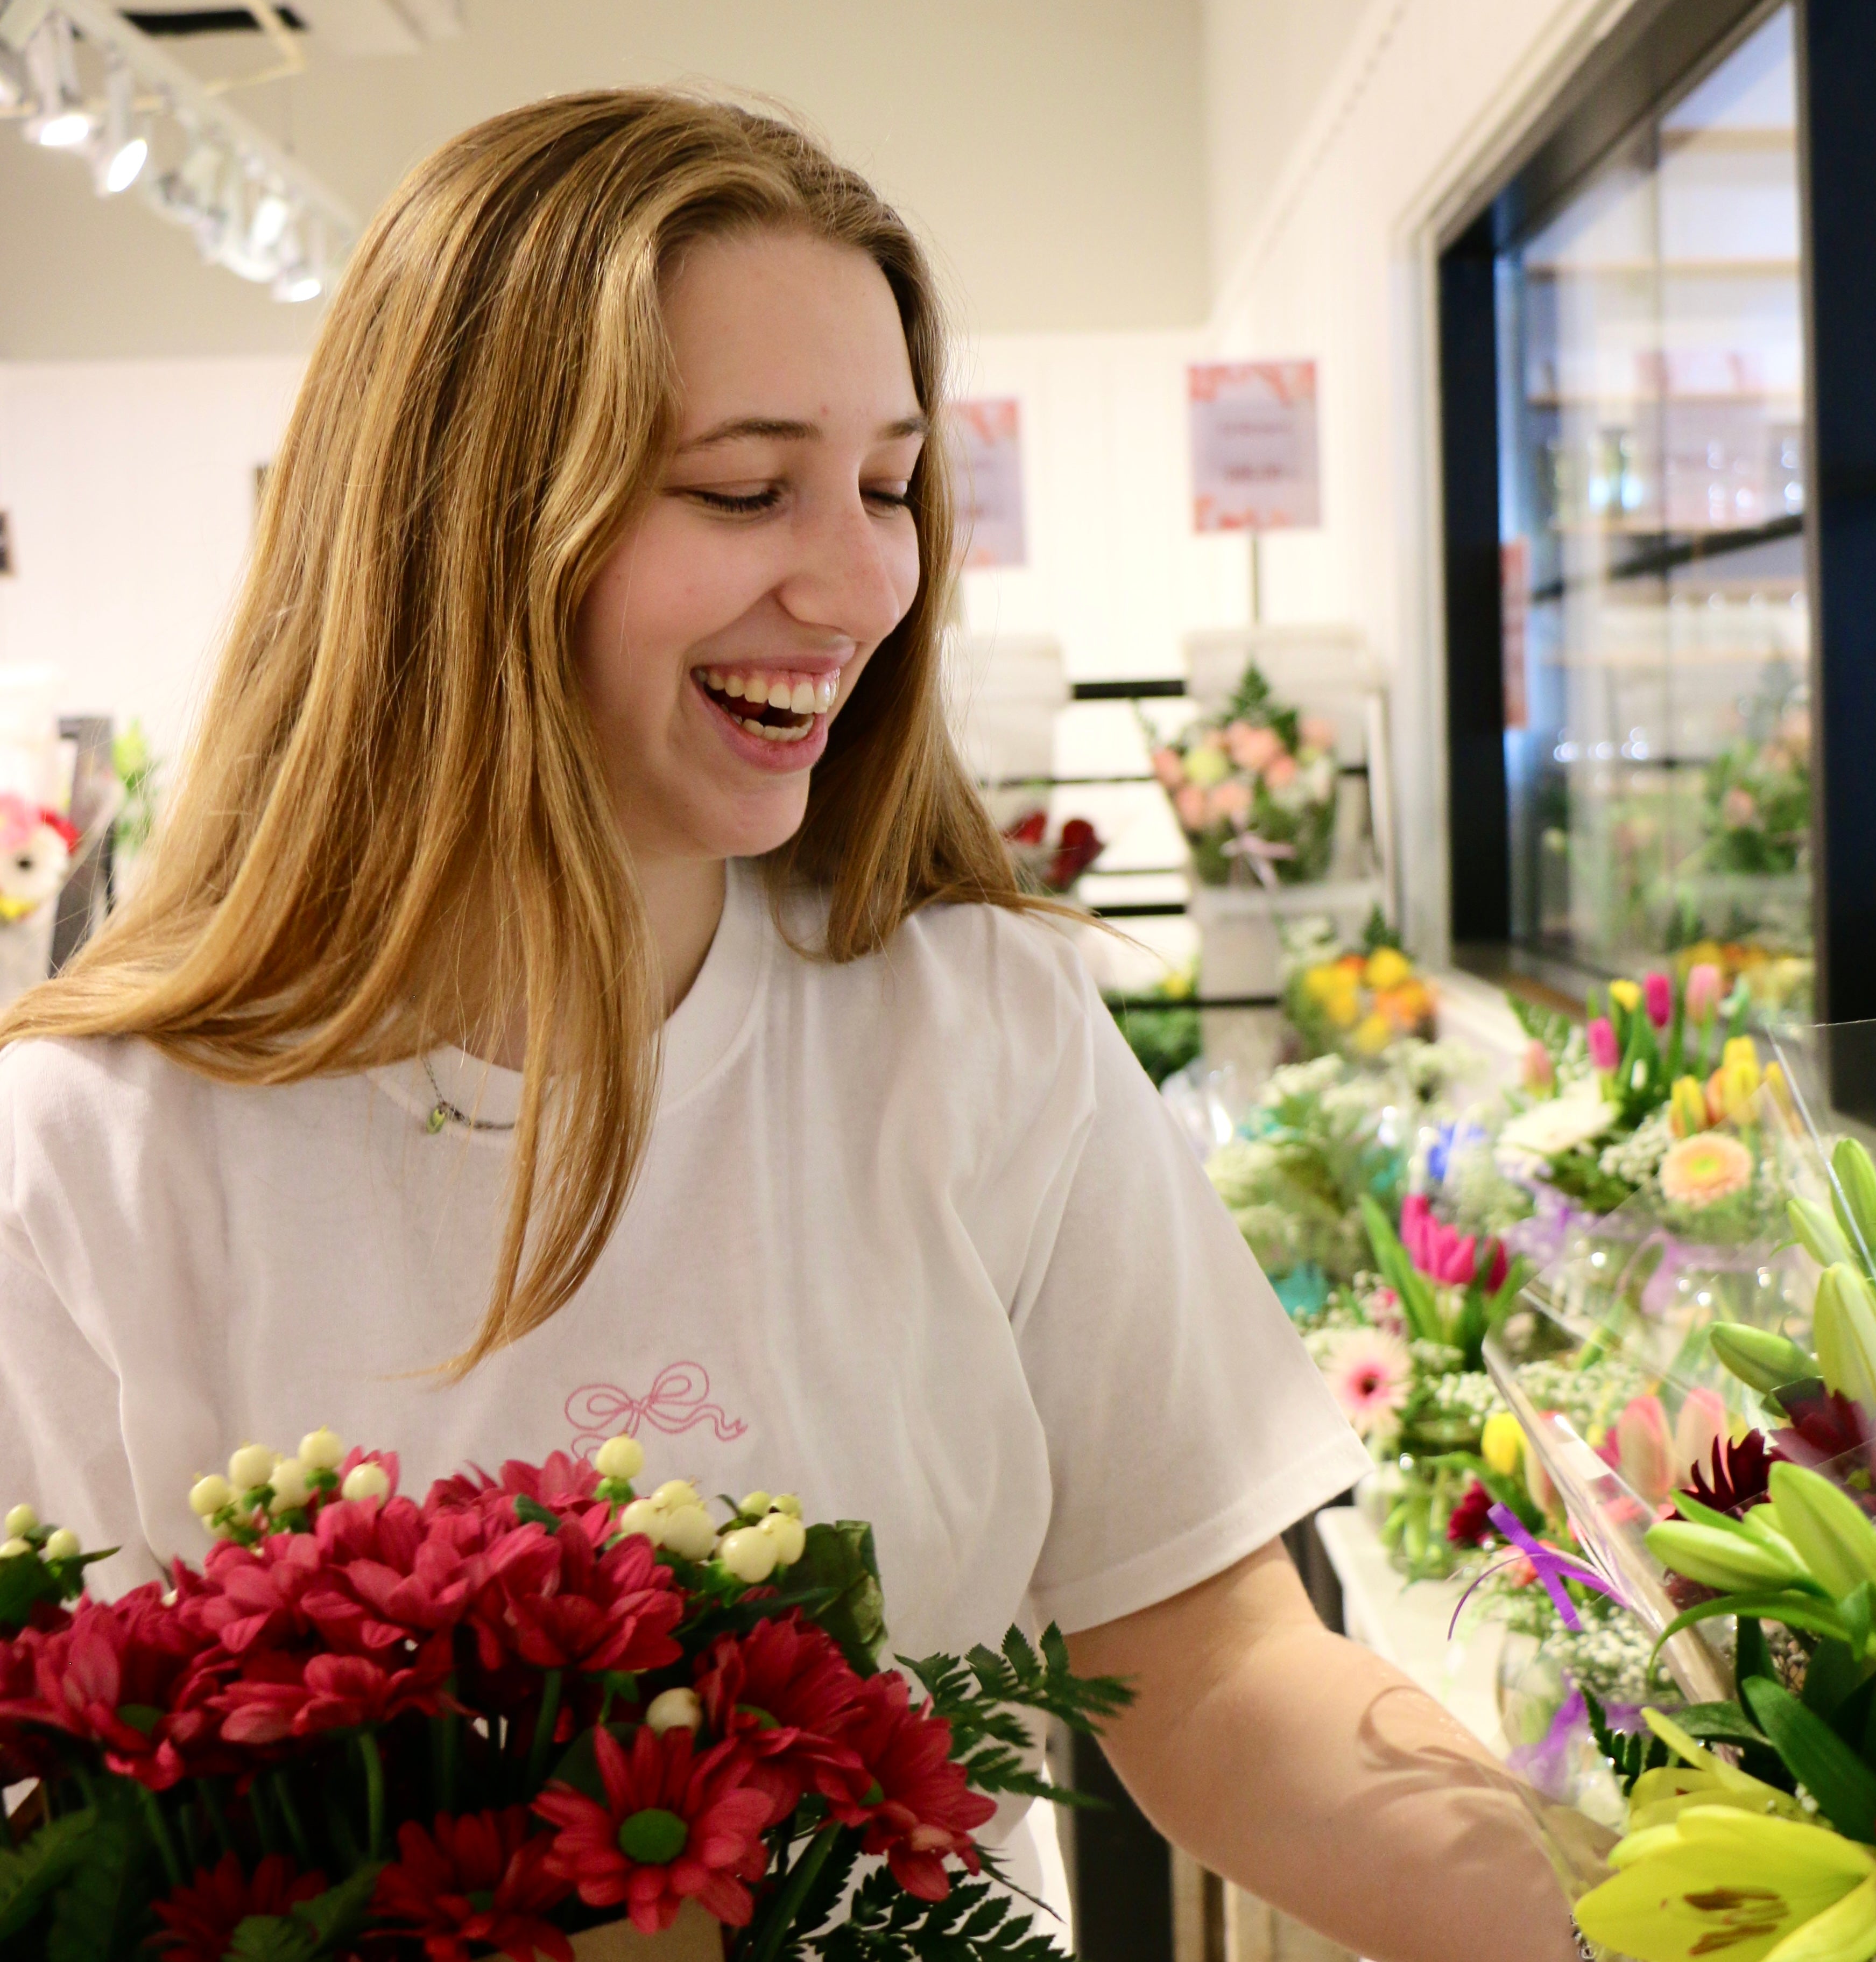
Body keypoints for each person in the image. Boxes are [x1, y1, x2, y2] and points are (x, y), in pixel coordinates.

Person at [0, 93, 1594, 1960]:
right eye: (746, 490)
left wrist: (1659, 1915)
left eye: (892, 484)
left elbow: (1227, 1671)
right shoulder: (97, 1151)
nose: (858, 584)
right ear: (463, 527)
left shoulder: (983, 1037)